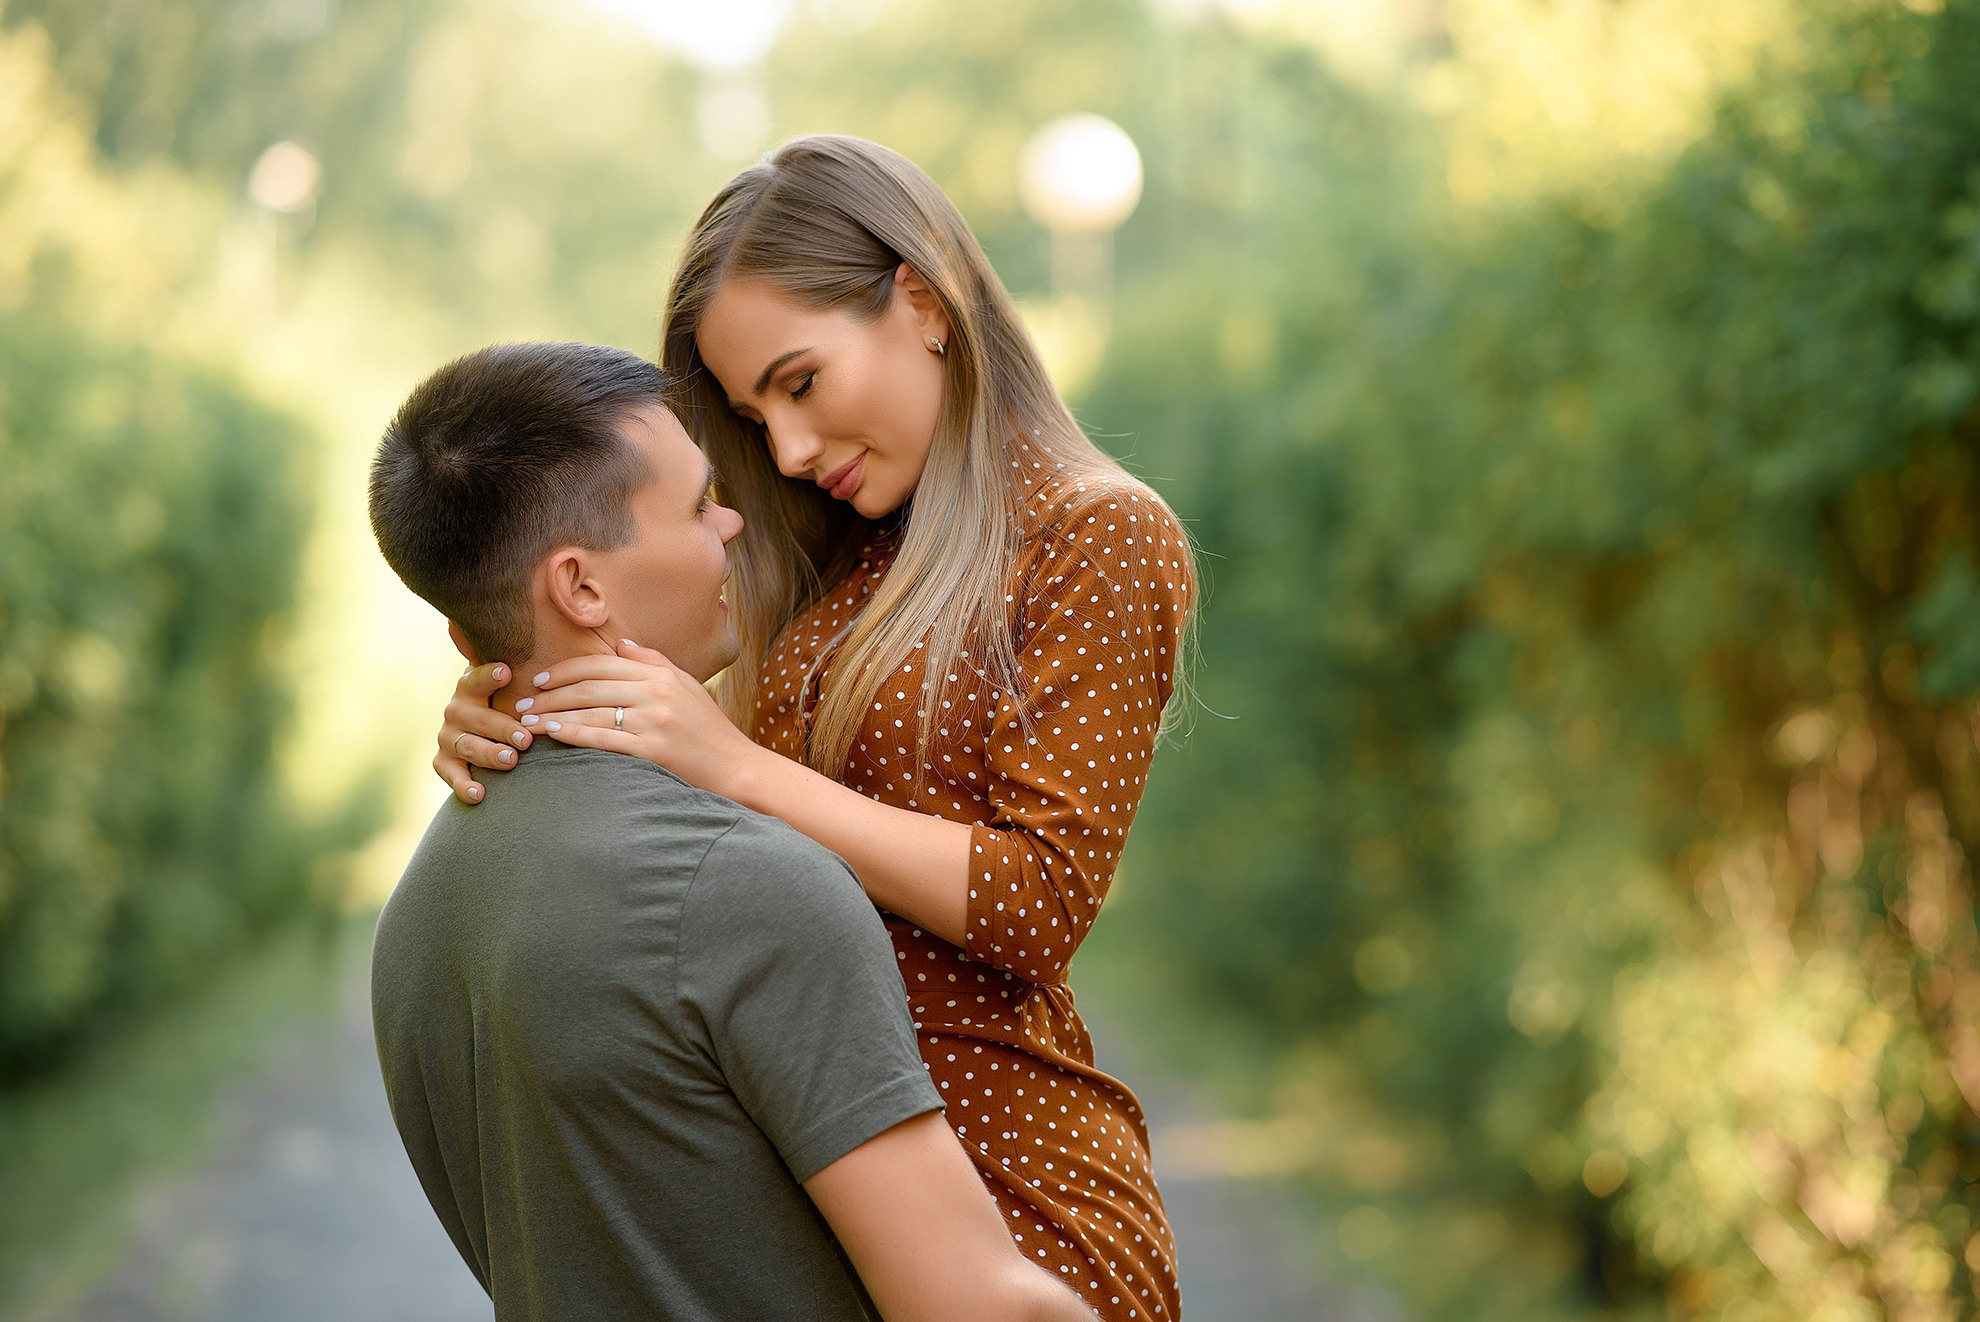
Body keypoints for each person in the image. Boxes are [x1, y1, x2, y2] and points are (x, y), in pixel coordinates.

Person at [435, 136, 1195, 1322]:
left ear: (924, 302)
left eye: (799, 382)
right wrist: (506, 694)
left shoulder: (1095, 533)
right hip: (815, 1209)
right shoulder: (845, 552)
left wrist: (734, 764)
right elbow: (630, 655)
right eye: (752, 411)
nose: (785, 451)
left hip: (1015, 1213)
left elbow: (1039, 899)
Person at [367, 340, 1091, 1322]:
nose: (736, 521)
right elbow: (980, 1304)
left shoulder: (419, 910)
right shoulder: (745, 885)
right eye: (700, 504)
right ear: (581, 587)